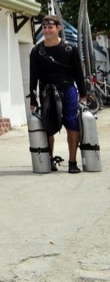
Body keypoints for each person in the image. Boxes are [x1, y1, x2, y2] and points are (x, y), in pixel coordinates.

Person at [28, 14, 87, 173]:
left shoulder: (70, 49)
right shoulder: (36, 51)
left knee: (72, 123)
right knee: (48, 125)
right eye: (44, 27)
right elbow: (33, 77)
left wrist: (83, 94)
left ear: (58, 28)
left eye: (50, 27)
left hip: (68, 89)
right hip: (47, 92)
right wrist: (33, 99)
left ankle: (72, 162)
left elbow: (78, 74)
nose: (47, 30)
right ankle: (49, 160)